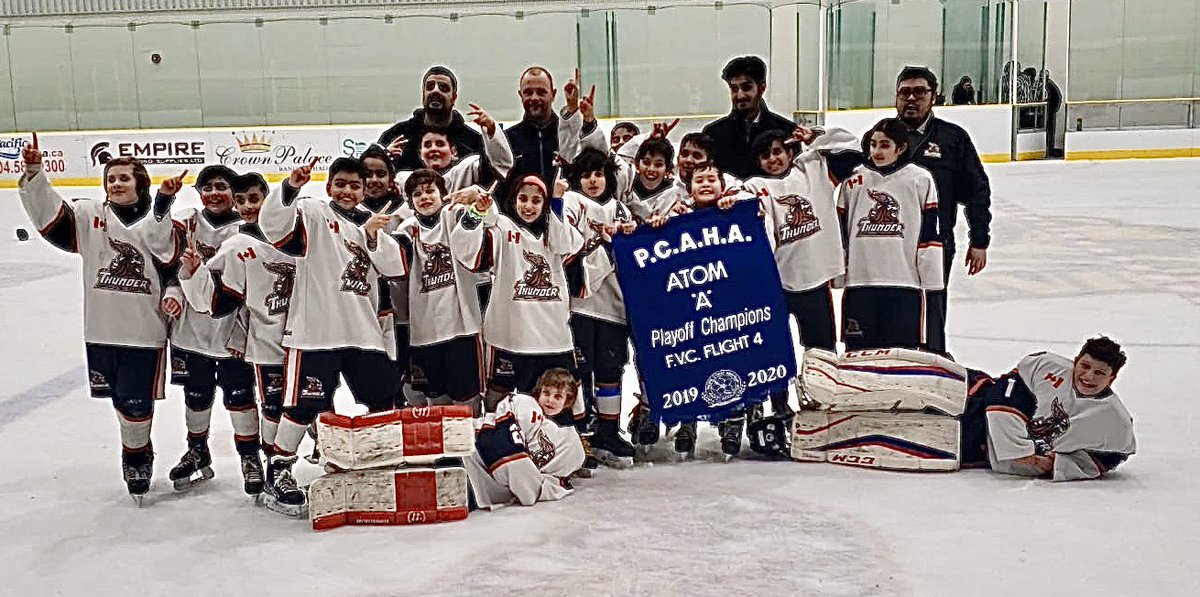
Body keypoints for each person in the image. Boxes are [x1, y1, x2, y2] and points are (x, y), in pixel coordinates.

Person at [17, 135, 180, 503]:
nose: (116, 184)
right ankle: (135, 447)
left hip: (144, 330)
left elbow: (174, 267)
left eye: (124, 178)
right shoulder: (90, 215)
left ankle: (136, 456)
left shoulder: (161, 221)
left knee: (137, 402)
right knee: (119, 398)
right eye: (111, 179)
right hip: (102, 329)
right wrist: (35, 173)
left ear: (141, 183)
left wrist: (173, 293)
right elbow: (51, 220)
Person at [256, 157, 410, 515]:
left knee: (382, 397)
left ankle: (379, 461)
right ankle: (278, 470)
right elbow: (274, 227)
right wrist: (290, 188)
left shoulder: (371, 223)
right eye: (340, 183)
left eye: (355, 186)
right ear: (329, 187)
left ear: (364, 191)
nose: (347, 191)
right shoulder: (313, 212)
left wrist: (373, 236)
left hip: (362, 332)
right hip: (316, 331)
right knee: (302, 406)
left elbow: (396, 267)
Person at [156, 165, 264, 495]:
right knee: (196, 395)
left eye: (221, 187)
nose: (214, 193)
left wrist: (243, 334)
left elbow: (253, 289)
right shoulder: (187, 222)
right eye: (207, 188)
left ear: (234, 193)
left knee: (240, 397)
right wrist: (173, 294)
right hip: (190, 331)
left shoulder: (249, 230)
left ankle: (250, 457)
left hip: (231, 333)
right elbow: (166, 259)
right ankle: (197, 449)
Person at [743, 126, 861, 414]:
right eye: (765, 156)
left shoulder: (812, 169)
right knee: (774, 348)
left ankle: (821, 398)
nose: (773, 159)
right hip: (776, 285)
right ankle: (779, 405)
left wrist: (817, 137)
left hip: (814, 279)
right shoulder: (754, 186)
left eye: (777, 152)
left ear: (789, 152)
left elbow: (853, 151)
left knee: (821, 348)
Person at [450, 174, 583, 401]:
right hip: (508, 338)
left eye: (536, 200)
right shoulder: (503, 229)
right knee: (497, 403)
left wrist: (557, 200)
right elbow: (466, 249)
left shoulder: (559, 232)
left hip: (553, 339)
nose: (528, 206)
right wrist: (476, 210)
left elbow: (564, 244)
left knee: (560, 404)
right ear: (513, 199)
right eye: (523, 198)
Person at [894, 66, 992, 354]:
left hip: (935, 243)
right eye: (905, 92)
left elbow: (976, 191)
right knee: (893, 310)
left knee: (932, 311)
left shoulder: (953, 138)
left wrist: (979, 240)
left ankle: (932, 362)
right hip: (887, 242)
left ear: (933, 96)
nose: (911, 99)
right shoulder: (881, 137)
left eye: (919, 92)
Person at [960, 337, 1136, 481]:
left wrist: (1057, 465)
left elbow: (1110, 457)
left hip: (976, 451)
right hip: (973, 401)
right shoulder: (1047, 366)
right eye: (1085, 366)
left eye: (1099, 373)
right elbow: (1002, 393)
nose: (1088, 376)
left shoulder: (1116, 422)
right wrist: (1020, 452)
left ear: (1112, 378)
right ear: (1075, 361)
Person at [837, 118, 943, 350]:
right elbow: (840, 233)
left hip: (905, 285)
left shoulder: (920, 179)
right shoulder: (853, 179)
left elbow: (929, 234)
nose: (877, 151)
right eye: (873, 144)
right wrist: (838, 272)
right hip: (860, 284)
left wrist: (931, 281)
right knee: (859, 356)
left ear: (901, 148)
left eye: (885, 145)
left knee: (902, 356)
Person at [561, 148, 638, 466]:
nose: (593, 180)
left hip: (613, 308)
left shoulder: (620, 209)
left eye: (598, 174)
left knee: (610, 372)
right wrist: (601, 244)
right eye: (586, 175)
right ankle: (579, 435)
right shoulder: (572, 202)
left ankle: (608, 431)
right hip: (578, 306)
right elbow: (564, 246)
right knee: (579, 373)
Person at [391, 169, 486, 415]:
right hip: (425, 331)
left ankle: (471, 438)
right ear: (410, 202)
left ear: (443, 194)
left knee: (467, 397)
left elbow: (480, 218)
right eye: (417, 194)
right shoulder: (407, 229)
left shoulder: (454, 214)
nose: (424, 197)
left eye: (430, 191)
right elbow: (393, 261)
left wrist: (477, 199)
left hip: (462, 328)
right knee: (435, 398)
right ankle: (444, 441)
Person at [464, 368, 586, 509]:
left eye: (557, 397)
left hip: (480, 479)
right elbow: (506, 451)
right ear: (539, 392)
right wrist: (528, 486)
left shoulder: (566, 439)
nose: (550, 400)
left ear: (567, 402)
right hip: (470, 450)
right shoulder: (525, 404)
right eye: (546, 393)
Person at [702, 56, 798, 179]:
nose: (740, 95)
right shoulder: (713, 133)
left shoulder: (787, 130)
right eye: (734, 89)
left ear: (761, 88)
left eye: (746, 87)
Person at [505, 67, 603, 183]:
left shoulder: (571, 135)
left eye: (541, 92)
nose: (534, 98)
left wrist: (586, 119)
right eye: (528, 92)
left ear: (553, 94)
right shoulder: (507, 140)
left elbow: (598, 163)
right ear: (520, 95)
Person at [377, 65, 485, 171]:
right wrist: (386, 157)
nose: (435, 90)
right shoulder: (396, 136)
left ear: (454, 97)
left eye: (443, 88)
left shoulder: (474, 143)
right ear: (423, 94)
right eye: (430, 87)